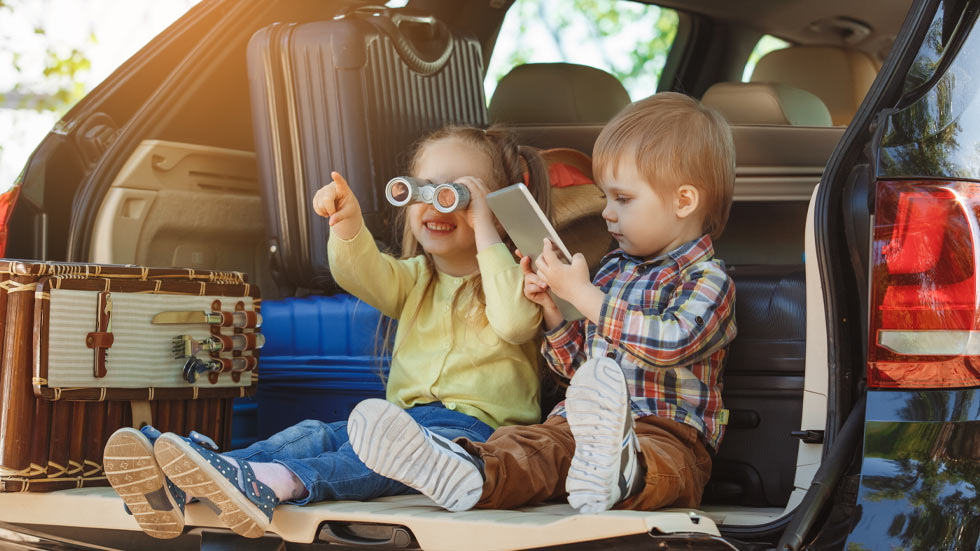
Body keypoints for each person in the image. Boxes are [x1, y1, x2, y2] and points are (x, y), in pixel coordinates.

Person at [103, 125, 552, 538]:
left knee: (364, 459)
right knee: (317, 433)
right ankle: (197, 474)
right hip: (398, 418)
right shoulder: (416, 278)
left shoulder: (516, 278)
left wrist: (488, 231)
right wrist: (349, 224)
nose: (435, 204)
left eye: (456, 194)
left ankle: (278, 482)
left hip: (471, 434)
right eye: (424, 190)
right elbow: (360, 273)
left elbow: (514, 323)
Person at [348, 92, 737, 514]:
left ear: (684, 201)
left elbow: (671, 344)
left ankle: (624, 471)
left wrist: (586, 297)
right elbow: (576, 369)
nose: (606, 213)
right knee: (529, 447)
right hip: (578, 426)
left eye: (622, 199)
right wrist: (554, 313)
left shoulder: (708, 280)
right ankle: (467, 471)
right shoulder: (609, 271)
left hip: (665, 429)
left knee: (671, 469)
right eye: (605, 198)